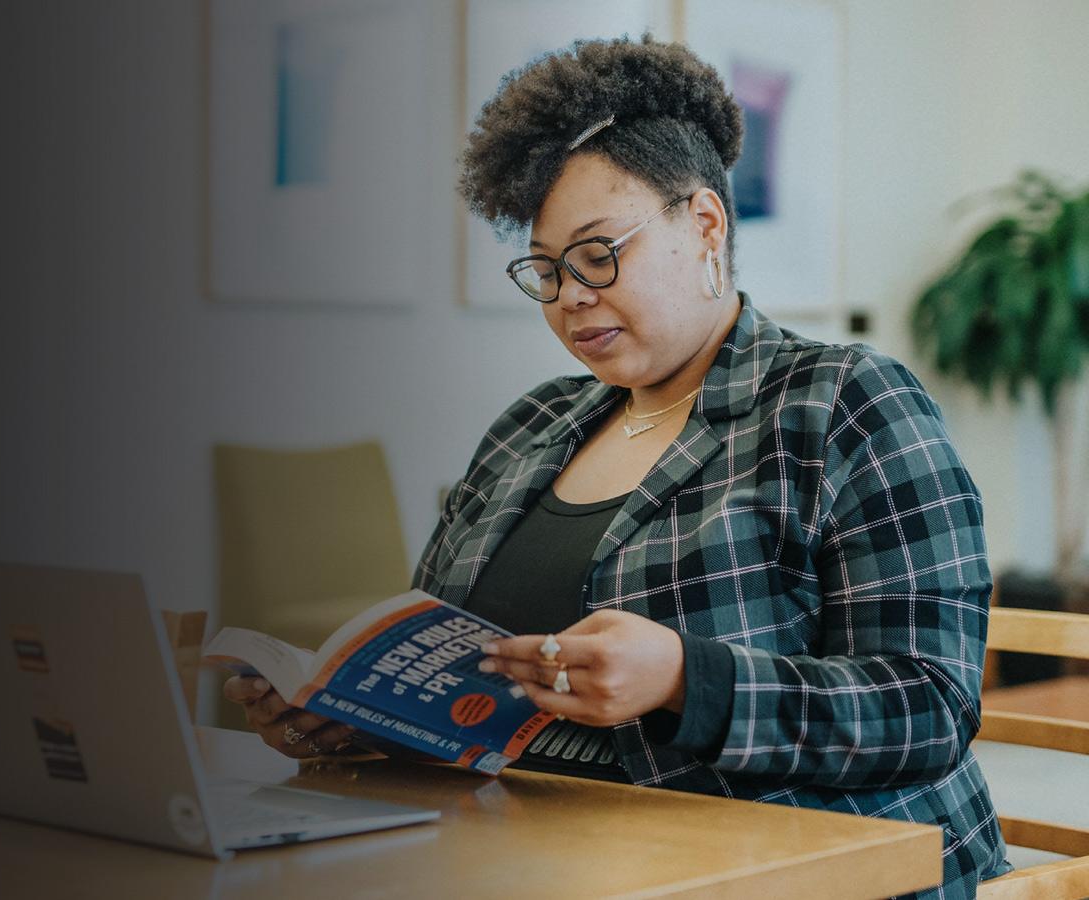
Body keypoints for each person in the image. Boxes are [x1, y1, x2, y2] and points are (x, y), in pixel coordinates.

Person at [222, 35, 1008, 896]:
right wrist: (351, 720)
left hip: (792, 871)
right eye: (548, 271)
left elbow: (927, 708)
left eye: (599, 254)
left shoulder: (839, 401)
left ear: (703, 223)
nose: (570, 298)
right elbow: (460, 693)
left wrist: (684, 679)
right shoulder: (534, 426)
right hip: (542, 862)